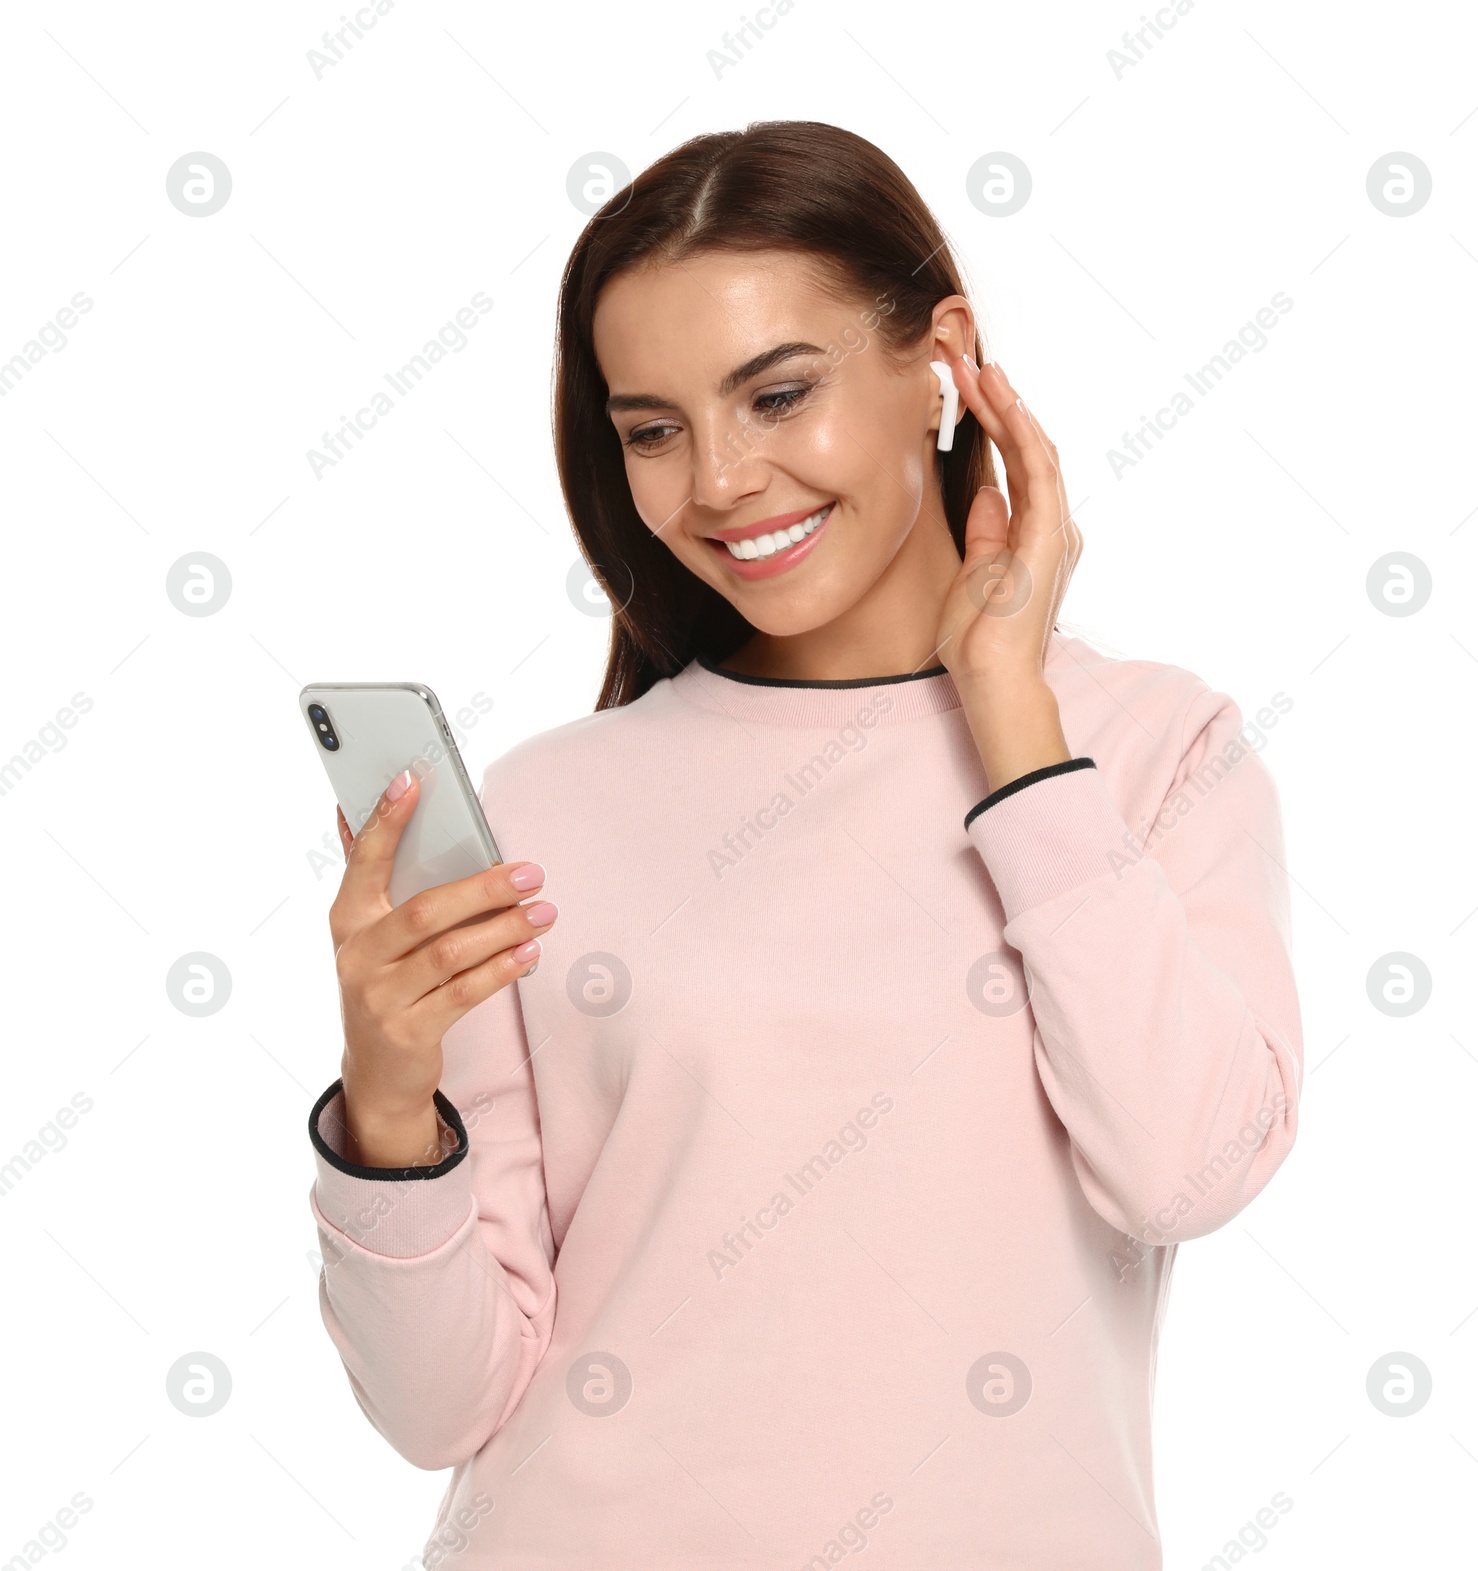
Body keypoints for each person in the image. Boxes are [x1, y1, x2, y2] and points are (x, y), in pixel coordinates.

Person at [306, 119, 1303, 1568]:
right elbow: (439, 1405)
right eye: (652, 429)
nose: (716, 480)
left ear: (943, 364)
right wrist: (390, 1116)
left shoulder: (1153, 755)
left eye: (776, 395)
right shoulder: (547, 807)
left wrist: (1013, 718)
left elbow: (1187, 1172)